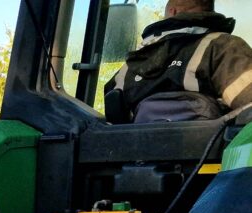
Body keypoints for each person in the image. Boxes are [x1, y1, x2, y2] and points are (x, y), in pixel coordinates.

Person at [104, 0, 252, 123]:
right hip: (209, 154)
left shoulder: (135, 62)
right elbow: (248, 102)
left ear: (173, 12)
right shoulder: (225, 46)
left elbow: (113, 112)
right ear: (209, 11)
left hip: (138, 155)